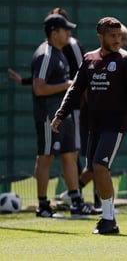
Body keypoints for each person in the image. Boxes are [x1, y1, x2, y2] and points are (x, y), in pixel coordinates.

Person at [51, 16, 127, 235]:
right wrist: (60, 114)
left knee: (100, 166)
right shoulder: (89, 59)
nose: (117, 39)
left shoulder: (126, 59)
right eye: (112, 36)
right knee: (94, 168)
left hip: (116, 124)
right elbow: (75, 89)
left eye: (119, 35)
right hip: (93, 124)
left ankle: (108, 219)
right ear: (100, 36)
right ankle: (106, 217)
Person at [31, 13, 97, 218]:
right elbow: (39, 88)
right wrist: (68, 85)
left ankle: (76, 202)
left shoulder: (59, 53)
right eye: (65, 29)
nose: (69, 33)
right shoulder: (46, 54)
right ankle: (42, 205)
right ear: (54, 32)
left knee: (71, 155)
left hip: (63, 115)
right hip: (48, 117)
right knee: (46, 157)